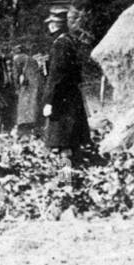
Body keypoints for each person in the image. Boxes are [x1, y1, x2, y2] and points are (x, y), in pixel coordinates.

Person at [43, 8, 90, 163]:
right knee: (71, 143)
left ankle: (66, 182)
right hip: (72, 99)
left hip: (61, 101)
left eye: (51, 24)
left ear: (56, 26)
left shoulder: (59, 44)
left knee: (62, 145)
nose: (49, 27)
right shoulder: (71, 41)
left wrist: (49, 101)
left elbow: (56, 75)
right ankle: (72, 181)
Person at [11, 43, 46, 138]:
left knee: (24, 109)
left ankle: (24, 132)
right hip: (36, 86)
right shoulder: (32, 60)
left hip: (26, 87)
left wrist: (17, 87)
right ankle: (35, 130)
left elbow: (15, 76)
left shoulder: (18, 59)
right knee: (33, 108)